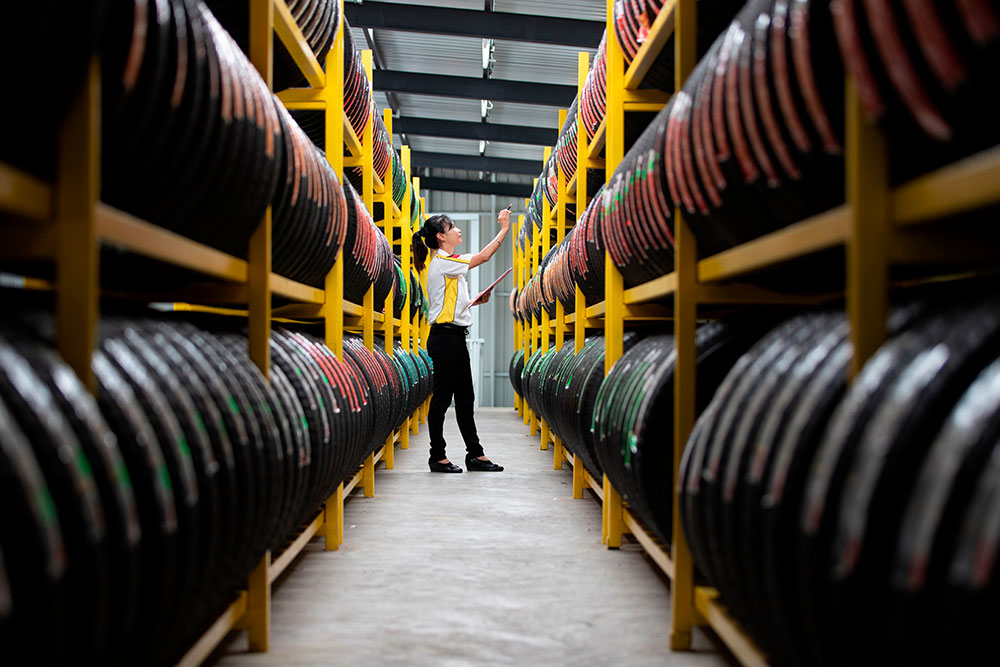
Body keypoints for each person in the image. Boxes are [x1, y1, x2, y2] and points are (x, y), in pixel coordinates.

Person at [412, 208, 512, 473]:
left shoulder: (447, 264)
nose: (457, 230)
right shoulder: (445, 260)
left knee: (465, 398)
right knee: (443, 399)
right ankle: (438, 457)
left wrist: (473, 303)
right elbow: (484, 256)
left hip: (453, 337)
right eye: (452, 227)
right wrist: (503, 229)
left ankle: (475, 455)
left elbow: (449, 305)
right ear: (441, 237)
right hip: (445, 340)